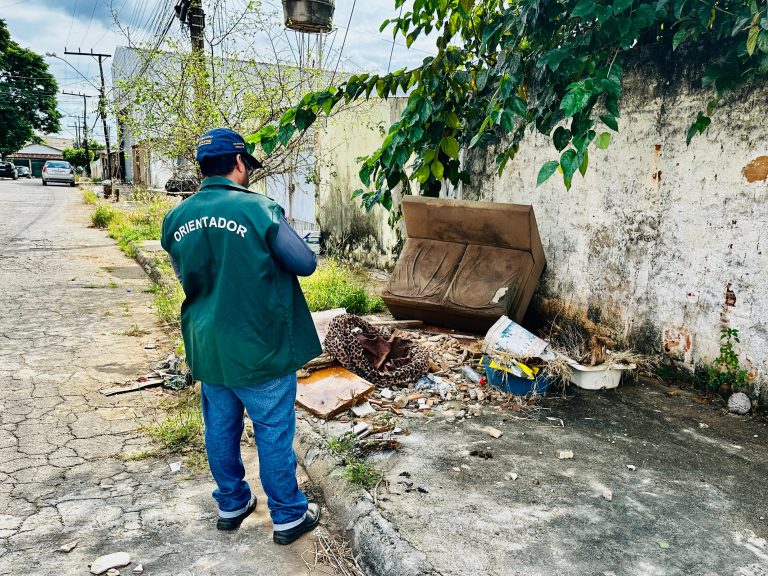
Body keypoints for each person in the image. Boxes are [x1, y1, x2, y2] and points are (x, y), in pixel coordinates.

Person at [160, 127, 323, 545]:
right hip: (259, 347)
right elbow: (304, 263)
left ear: (201, 168)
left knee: (220, 426)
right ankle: (287, 515)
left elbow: (184, 273)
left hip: (208, 345)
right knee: (272, 430)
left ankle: (231, 503)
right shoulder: (259, 210)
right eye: (247, 165)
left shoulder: (176, 218)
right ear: (238, 163)